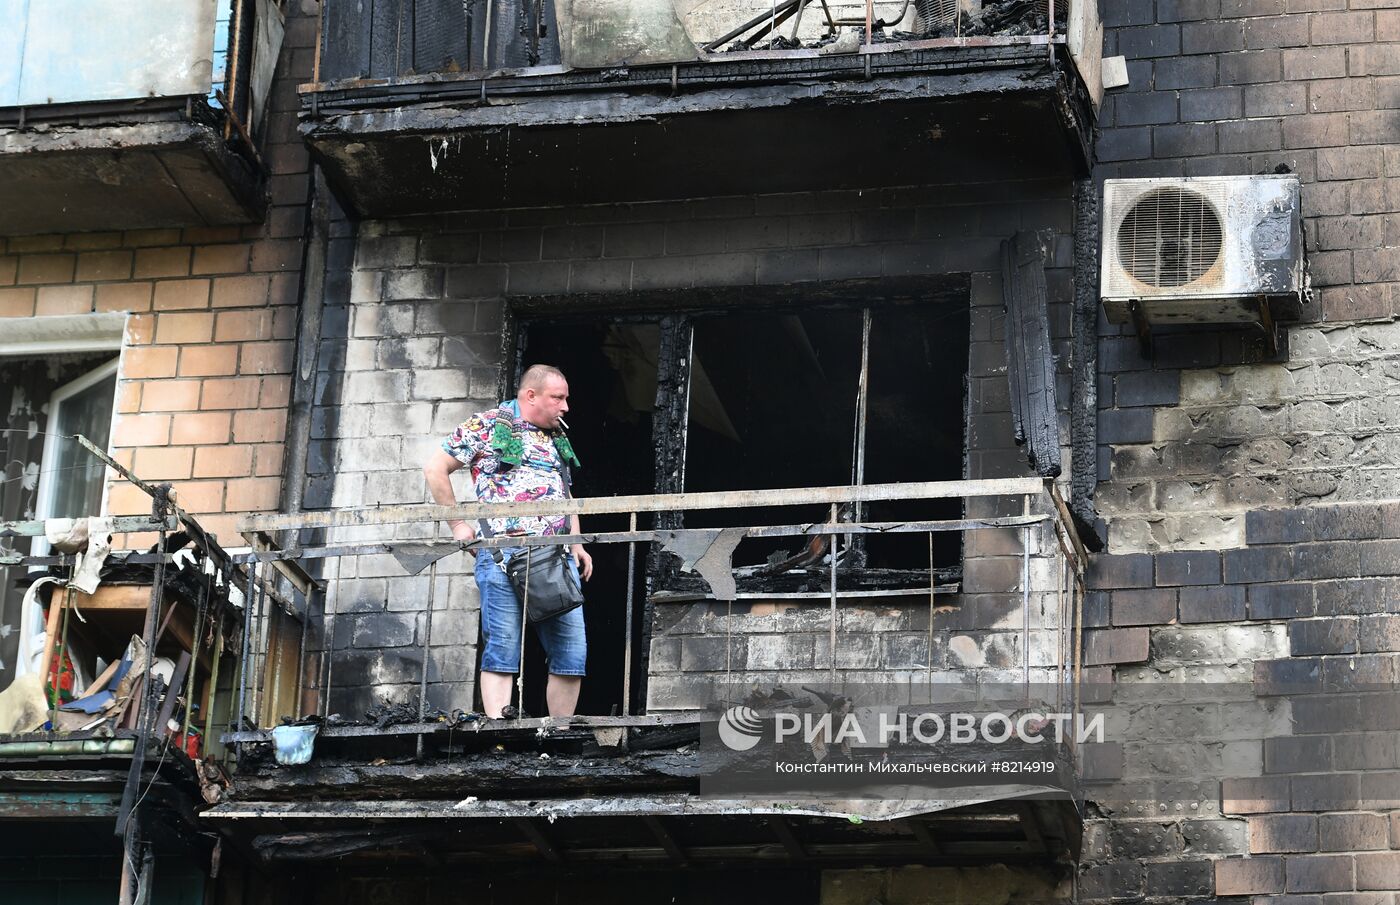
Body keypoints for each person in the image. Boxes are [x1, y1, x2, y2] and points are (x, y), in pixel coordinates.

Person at [423, 364, 593, 718]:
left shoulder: (557, 435)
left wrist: (576, 543)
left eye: (566, 399)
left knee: (571, 650)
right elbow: (434, 468)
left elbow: (565, 489)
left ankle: (557, 733)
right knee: (501, 646)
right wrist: (457, 525)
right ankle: (499, 732)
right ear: (531, 396)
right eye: (558, 398)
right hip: (501, 555)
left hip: (555, 557)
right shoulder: (486, 425)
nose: (566, 407)